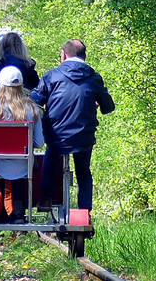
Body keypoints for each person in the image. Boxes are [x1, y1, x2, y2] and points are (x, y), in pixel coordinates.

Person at [31, 38, 115, 214]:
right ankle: (85, 210)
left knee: (52, 156)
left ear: (63, 54)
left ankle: (45, 198)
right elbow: (109, 108)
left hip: (57, 135)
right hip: (83, 135)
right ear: (84, 56)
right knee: (83, 171)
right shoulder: (94, 78)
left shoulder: (52, 76)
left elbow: (35, 101)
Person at [0, 66, 43, 222]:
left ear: (2, 87)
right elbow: (39, 143)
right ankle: (18, 213)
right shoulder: (32, 109)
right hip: (23, 165)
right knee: (22, 164)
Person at [0, 30, 39, 102]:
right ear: (21, 46)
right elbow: (36, 89)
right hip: (21, 104)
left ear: (2, 46)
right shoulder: (27, 64)